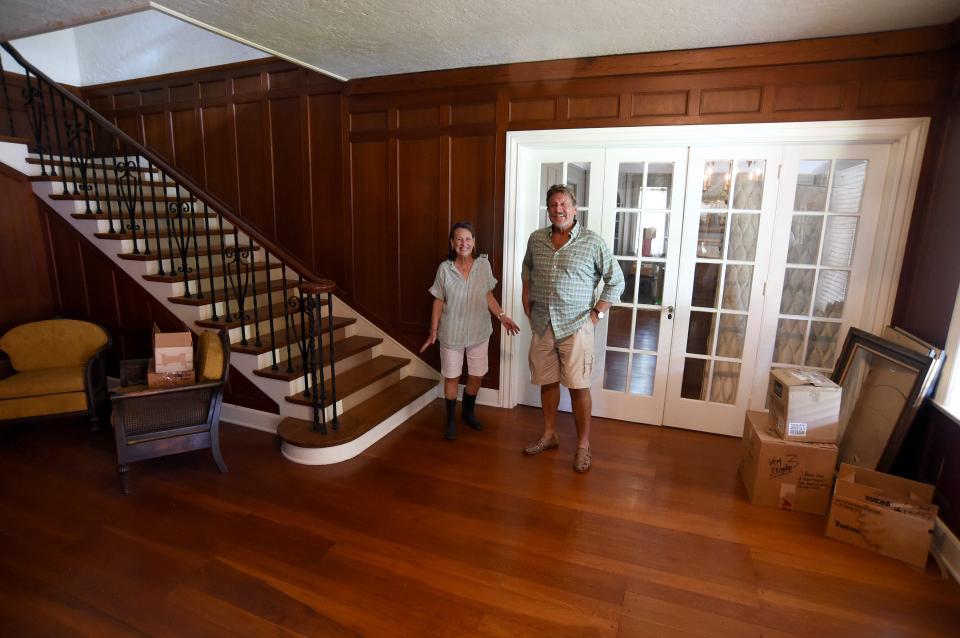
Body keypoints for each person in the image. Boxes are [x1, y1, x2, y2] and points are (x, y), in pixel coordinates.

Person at [521, 184, 624, 472]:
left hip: (577, 325)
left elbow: (617, 281)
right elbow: (527, 267)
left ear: (575, 208)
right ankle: (549, 434)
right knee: (547, 381)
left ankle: (583, 446)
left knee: (579, 387)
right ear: (548, 209)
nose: (559, 209)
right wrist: (525, 294)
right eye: (553, 204)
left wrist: (597, 314)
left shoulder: (592, 242)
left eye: (564, 203)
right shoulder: (536, 239)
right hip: (543, 323)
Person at [421, 222, 520, 440]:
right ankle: (449, 420)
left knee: (477, 375)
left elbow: (488, 296)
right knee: (452, 377)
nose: (463, 243)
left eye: (468, 239)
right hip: (451, 333)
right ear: (452, 243)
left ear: (474, 242)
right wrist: (433, 330)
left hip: (478, 331)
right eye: (459, 239)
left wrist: (503, 317)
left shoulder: (483, 266)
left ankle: (467, 412)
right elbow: (438, 300)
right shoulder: (444, 269)